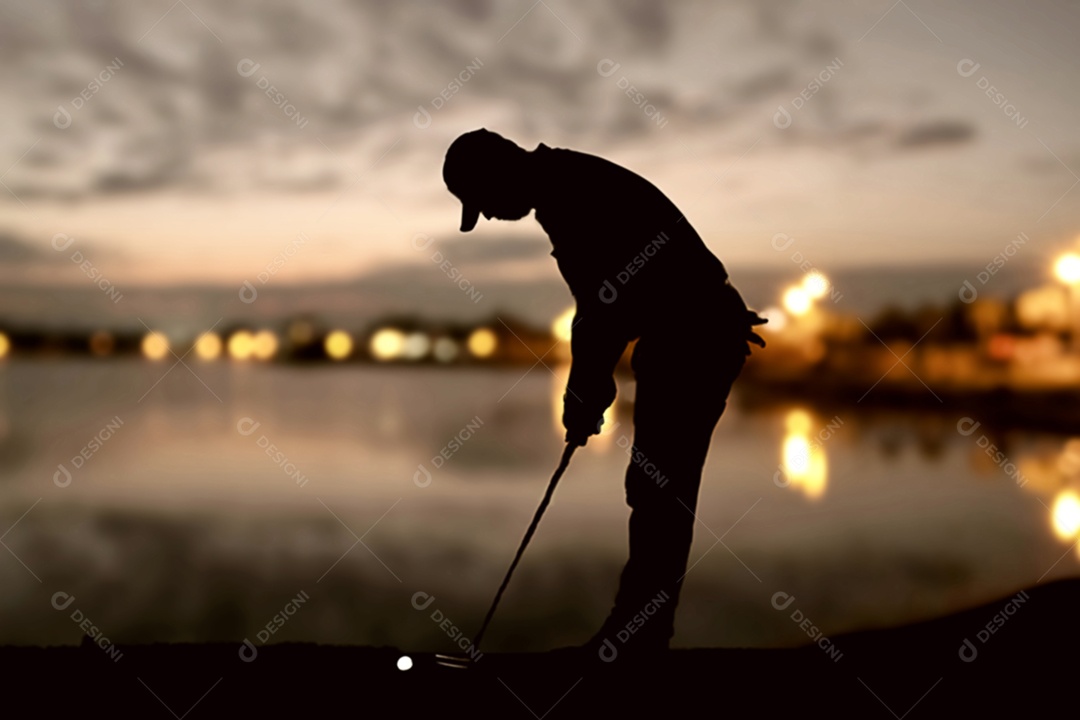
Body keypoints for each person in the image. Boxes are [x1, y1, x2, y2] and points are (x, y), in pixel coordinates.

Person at [442, 128, 766, 661]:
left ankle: (640, 637)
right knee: (657, 485)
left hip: (694, 337)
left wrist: (585, 391)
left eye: (486, 203)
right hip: (685, 334)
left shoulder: (571, 193)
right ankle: (640, 630)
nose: (493, 217)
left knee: (660, 485)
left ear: (500, 172)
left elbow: (604, 308)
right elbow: (605, 306)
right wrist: (588, 388)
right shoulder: (562, 185)